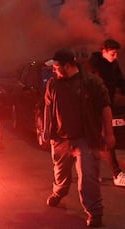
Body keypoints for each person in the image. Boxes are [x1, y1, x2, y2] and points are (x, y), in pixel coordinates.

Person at [43, 48, 115, 228]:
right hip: (60, 140)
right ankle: (59, 192)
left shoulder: (91, 82)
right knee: (61, 176)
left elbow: (105, 108)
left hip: (85, 139)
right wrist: (46, 131)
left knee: (88, 178)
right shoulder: (53, 84)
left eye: (57, 67)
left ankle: (95, 213)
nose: (54, 70)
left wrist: (109, 134)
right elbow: (47, 107)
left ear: (68, 66)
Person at [88, 38, 125, 187]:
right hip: (93, 108)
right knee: (106, 139)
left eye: (117, 54)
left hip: (106, 106)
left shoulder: (113, 65)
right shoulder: (93, 66)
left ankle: (90, 172)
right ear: (104, 51)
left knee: (101, 140)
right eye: (113, 53)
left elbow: (121, 82)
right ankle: (116, 173)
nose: (115, 57)